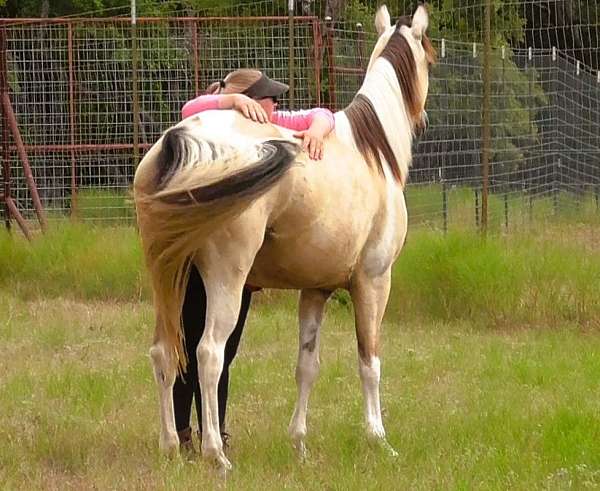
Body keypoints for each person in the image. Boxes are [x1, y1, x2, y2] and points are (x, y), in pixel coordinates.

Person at [174, 69, 335, 454]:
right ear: (247, 99)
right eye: (267, 97)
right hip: (196, 256)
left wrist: (316, 129)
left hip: (236, 266)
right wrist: (231, 101)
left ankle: (217, 428)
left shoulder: (270, 124)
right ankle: (182, 432)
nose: (276, 105)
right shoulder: (215, 120)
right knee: (189, 339)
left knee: (223, 350)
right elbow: (188, 108)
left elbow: (323, 113)